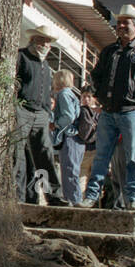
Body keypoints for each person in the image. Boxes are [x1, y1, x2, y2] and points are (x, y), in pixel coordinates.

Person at [78, 5, 135, 209]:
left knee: (132, 157)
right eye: (118, 23)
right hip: (108, 112)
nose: (120, 26)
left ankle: (133, 198)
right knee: (101, 156)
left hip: (132, 112)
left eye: (124, 23)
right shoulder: (109, 51)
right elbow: (96, 75)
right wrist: (100, 94)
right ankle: (92, 195)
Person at [13, 25, 69, 206]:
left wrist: (46, 111)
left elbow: (46, 91)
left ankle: (53, 196)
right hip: (22, 110)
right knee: (17, 156)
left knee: (44, 156)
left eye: (47, 41)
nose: (44, 44)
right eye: (41, 39)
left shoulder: (45, 64)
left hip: (41, 114)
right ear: (32, 40)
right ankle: (18, 197)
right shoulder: (21, 56)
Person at [50, 69, 84, 206]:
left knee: (69, 170)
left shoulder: (63, 95)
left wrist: (55, 124)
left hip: (69, 136)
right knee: (72, 169)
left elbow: (68, 116)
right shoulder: (72, 94)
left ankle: (73, 200)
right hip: (76, 138)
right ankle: (73, 198)